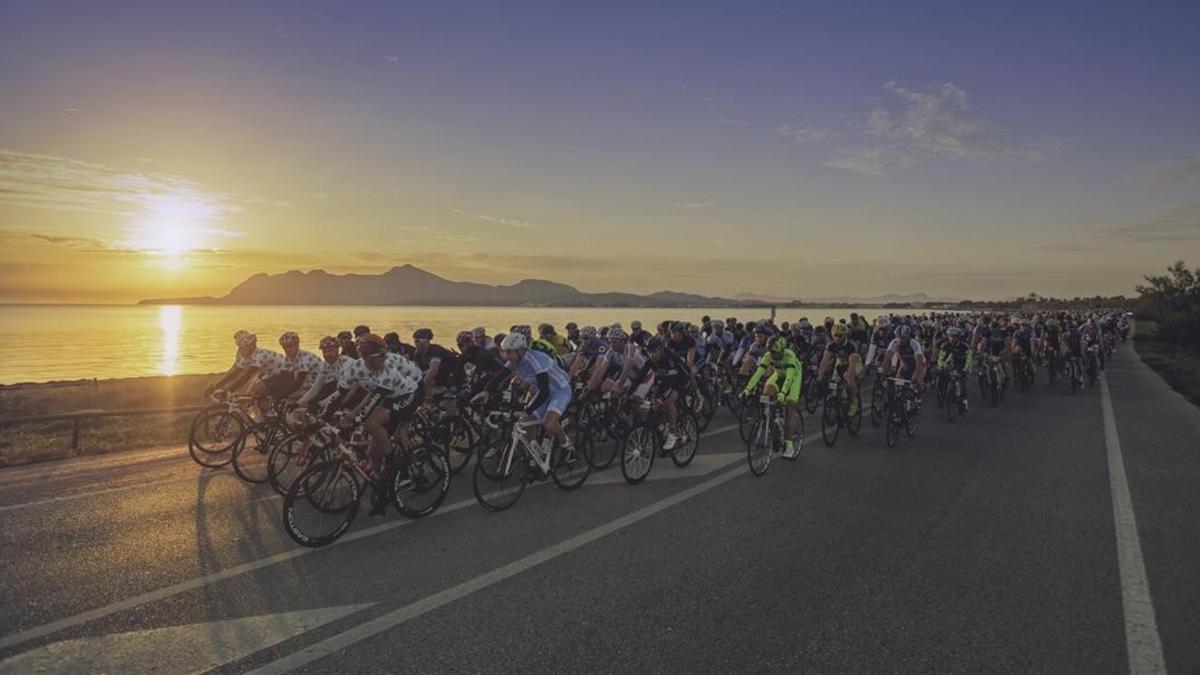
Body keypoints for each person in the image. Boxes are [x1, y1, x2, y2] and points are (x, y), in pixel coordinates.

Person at [340, 334, 424, 515]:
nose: (384, 358)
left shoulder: (388, 368)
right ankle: (382, 484)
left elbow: (373, 400)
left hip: (408, 394)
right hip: (389, 397)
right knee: (372, 452)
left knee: (371, 423)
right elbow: (346, 393)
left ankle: (394, 463)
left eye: (385, 355)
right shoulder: (354, 368)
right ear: (366, 357)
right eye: (380, 356)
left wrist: (355, 417)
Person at [472, 333, 577, 462]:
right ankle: (537, 454)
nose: (506, 356)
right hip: (545, 391)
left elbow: (544, 393)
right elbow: (498, 377)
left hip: (560, 391)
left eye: (510, 352)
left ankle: (568, 446)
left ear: (520, 351)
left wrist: (528, 409)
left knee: (549, 424)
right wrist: (486, 391)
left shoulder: (536, 361)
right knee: (524, 422)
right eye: (505, 352)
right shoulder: (514, 361)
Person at [742, 336, 805, 459]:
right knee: (766, 394)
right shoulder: (768, 356)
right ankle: (773, 420)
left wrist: (783, 393)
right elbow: (758, 374)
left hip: (794, 377)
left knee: (789, 406)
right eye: (770, 352)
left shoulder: (789, 355)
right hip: (778, 375)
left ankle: (790, 445)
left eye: (775, 352)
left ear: (781, 350)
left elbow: (789, 377)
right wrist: (747, 389)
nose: (772, 355)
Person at [627, 336, 693, 451]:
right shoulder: (651, 360)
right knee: (654, 404)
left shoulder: (671, 358)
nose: (651, 355)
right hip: (667, 380)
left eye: (654, 352)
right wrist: (629, 393)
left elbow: (672, 382)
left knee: (668, 401)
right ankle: (662, 425)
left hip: (682, 379)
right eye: (649, 352)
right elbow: (640, 377)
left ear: (661, 350)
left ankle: (673, 433)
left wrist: (661, 397)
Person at [206, 330, 292, 406]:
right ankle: (264, 416)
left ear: (251, 346)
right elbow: (234, 372)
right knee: (250, 393)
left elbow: (247, 376)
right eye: (239, 347)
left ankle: (269, 417)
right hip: (271, 374)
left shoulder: (260, 355)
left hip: (286, 373)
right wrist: (216, 386)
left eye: (242, 347)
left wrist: (230, 390)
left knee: (257, 390)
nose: (240, 350)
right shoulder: (243, 353)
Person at [817, 323, 862, 416]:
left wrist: (850, 377)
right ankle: (838, 401)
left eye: (840, 336)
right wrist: (820, 376)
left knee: (849, 379)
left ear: (845, 335)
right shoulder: (831, 345)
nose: (837, 338)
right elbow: (824, 362)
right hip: (841, 363)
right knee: (834, 381)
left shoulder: (851, 345)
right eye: (835, 336)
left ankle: (853, 401)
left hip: (855, 363)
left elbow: (852, 365)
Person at [936, 326, 973, 411]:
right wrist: (940, 366)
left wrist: (966, 369)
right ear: (947, 336)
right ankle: (942, 392)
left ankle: (965, 401)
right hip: (950, 365)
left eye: (954, 336)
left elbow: (969, 359)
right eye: (950, 336)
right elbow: (941, 358)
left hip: (962, 365)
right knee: (941, 375)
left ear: (958, 337)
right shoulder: (945, 345)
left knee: (963, 384)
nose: (952, 338)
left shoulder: (965, 346)